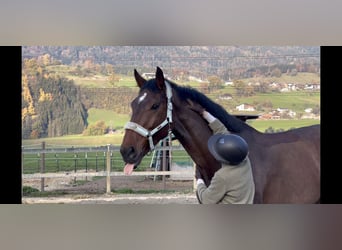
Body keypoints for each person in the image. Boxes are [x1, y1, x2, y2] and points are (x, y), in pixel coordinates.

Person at [188, 100, 255, 204]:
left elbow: (206, 200)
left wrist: (199, 181)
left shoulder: (222, 177)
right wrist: (204, 113)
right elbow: (222, 130)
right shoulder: (245, 161)